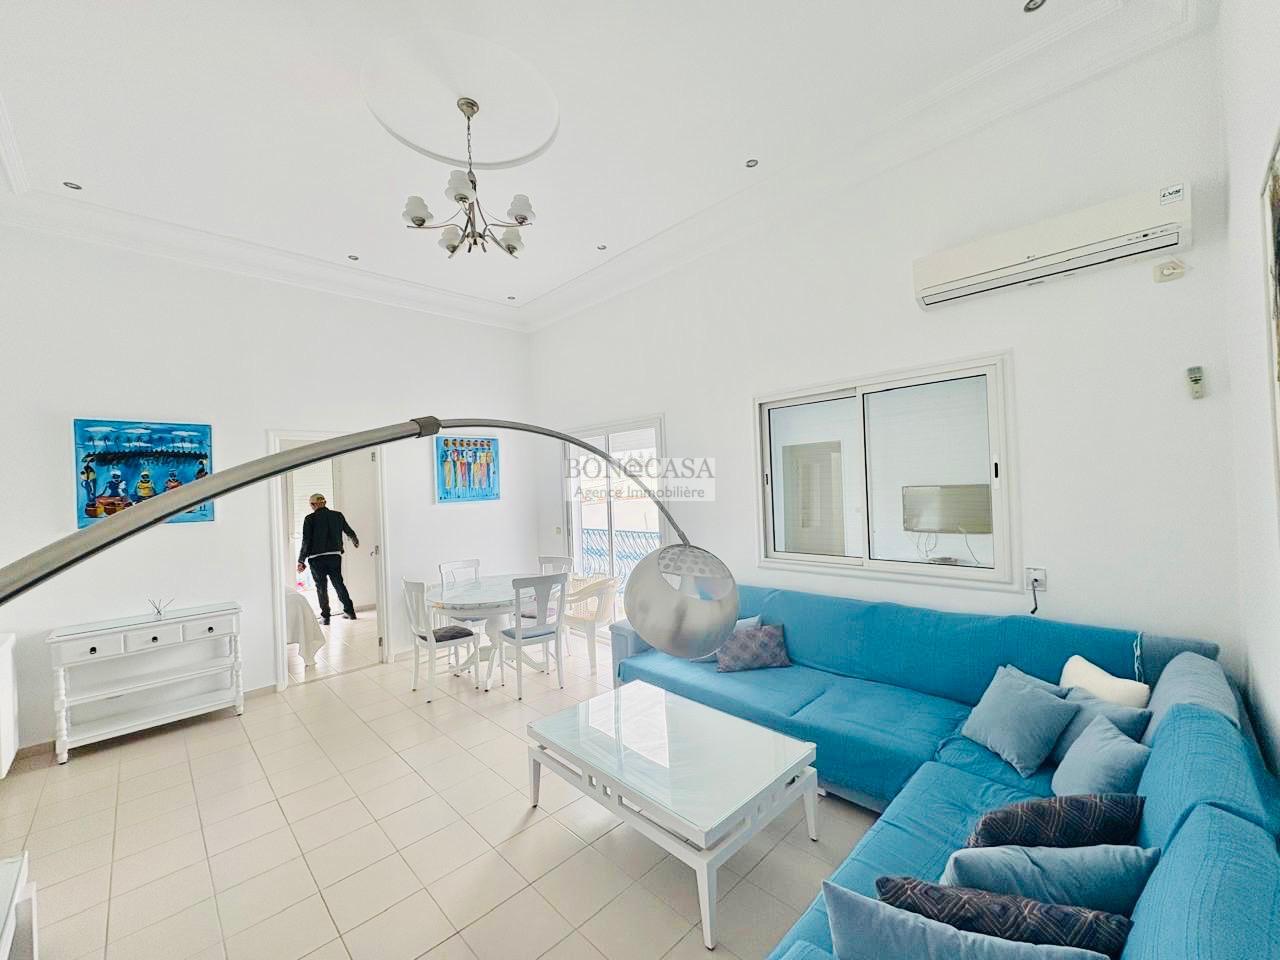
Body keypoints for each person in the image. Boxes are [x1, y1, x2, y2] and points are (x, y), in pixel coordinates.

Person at [296, 493, 359, 625]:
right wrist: (354, 540)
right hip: (334, 555)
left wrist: (301, 560)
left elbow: (306, 541)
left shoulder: (309, 519)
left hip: (316, 558)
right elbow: (348, 530)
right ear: (324, 503)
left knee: (321, 587)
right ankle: (350, 611)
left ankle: (325, 617)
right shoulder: (337, 515)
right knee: (338, 584)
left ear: (313, 505)